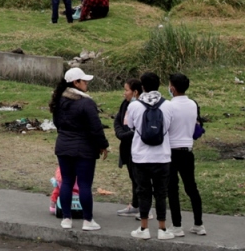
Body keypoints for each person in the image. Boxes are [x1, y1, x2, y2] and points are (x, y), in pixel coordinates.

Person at [50, 67, 110, 231]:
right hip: (84, 149)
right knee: (84, 185)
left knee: (67, 182)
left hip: (63, 146)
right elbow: (95, 127)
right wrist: (103, 145)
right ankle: (87, 220)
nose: (87, 84)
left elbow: (57, 123)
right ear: (76, 83)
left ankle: (67, 218)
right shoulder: (86, 102)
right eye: (84, 81)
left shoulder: (59, 101)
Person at [126, 71, 175, 240]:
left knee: (143, 192)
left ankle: (144, 228)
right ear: (159, 85)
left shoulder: (134, 106)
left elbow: (130, 126)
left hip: (140, 157)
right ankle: (162, 229)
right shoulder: (168, 105)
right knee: (161, 193)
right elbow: (170, 128)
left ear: (142, 87)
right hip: (162, 156)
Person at [166, 73, 205, 236]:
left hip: (171, 152)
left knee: (172, 189)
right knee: (192, 188)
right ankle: (199, 224)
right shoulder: (193, 104)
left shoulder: (168, 106)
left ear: (172, 88)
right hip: (188, 151)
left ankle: (177, 225)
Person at [114, 78, 145, 218]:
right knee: (133, 176)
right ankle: (135, 204)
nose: (124, 93)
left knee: (139, 178)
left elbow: (136, 130)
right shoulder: (125, 104)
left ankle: (143, 207)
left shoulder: (141, 107)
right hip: (126, 146)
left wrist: (125, 135)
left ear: (135, 92)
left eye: (126, 90)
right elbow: (118, 120)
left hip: (136, 147)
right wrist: (120, 133)